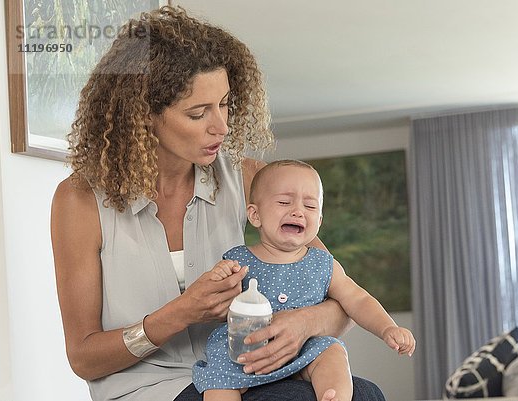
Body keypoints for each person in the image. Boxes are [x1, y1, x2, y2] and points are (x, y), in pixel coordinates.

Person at [50, 6, 386, 401]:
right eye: (198, 113)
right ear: (143, 116)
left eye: (225, 104)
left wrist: (304, 322)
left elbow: (334, 288)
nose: (222, 126)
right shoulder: (80, 201)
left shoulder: (246, 178)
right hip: (151, 389)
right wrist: (179, 314)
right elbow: (84, 358)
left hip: (248, 375)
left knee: (365, 394)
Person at [193, 160, 417, 401]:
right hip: (246, 350)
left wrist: (387, 328)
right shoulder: (237, 259)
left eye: (310, 206)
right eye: (284, 202)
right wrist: (219, 278)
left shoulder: (323, 264)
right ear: (255, 215)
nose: (298, 211)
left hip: (303, 349)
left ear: (319, 221)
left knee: (331, 352)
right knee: (219, 377)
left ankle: (333, 397)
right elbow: (217, 299)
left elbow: (358, 298)